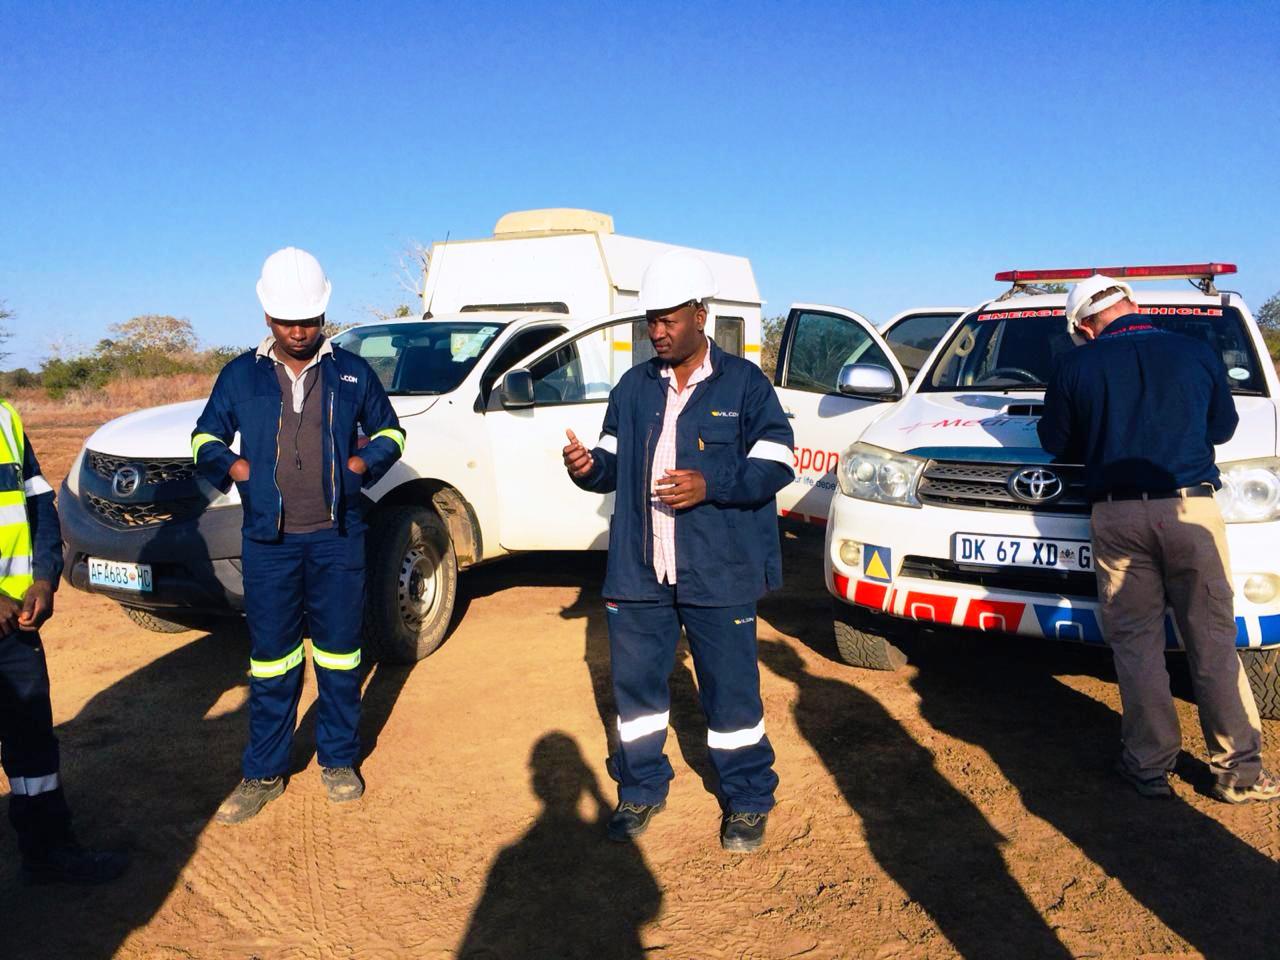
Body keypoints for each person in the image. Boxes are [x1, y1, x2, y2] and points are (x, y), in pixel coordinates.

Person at [562, 250, 794, 852]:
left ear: (700, 315)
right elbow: (612, 461)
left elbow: (778, 463)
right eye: (651, 321)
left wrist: (710, 484)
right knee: (636, 692)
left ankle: (747, 798)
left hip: (719, 570)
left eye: (668, 320)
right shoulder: (633, 388)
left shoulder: (744, 384)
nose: (657, 332)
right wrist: (588, 468)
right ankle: (641, 788)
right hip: (640, 569)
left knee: (731, 691)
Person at [1038, 274, 1277, 803]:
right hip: (1191, 511)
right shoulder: (1195, 353)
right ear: (1131, 303)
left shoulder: (1076, 365)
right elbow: (1222, 429)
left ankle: (1147, 765)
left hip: (1117, 516)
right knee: (1212, 639)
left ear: (1084, 327)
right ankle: (1239, 772)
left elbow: (1055, 440)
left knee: (1136, 642)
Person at [193, 247, 405, 823]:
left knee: (340, 657)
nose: (299, 331)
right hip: (270, 543)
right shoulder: (240, 375)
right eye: (288, 320)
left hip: (338, 539)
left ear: (323, 314)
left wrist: (360, 467)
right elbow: (204, 438)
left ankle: (338, 759)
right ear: (267, 315)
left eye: (309, 320)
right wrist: (237, 470)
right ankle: (263, 771)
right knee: (272, 662)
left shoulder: (351, 372)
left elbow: (391, 433)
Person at [0, 399, 129, 883]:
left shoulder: (5, 418)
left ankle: (48, 850)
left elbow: (37, 502)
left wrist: (44, 578)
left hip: (15, 622)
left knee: (32, 741)